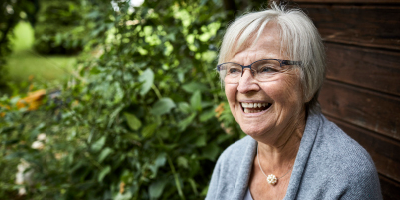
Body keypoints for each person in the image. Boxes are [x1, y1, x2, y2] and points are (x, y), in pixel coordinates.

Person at [206, 2, 382, 200]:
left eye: (267, 68)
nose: (244, 86)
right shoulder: (230, 160)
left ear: (307, 82)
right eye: (234, 70)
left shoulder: (347, 174)